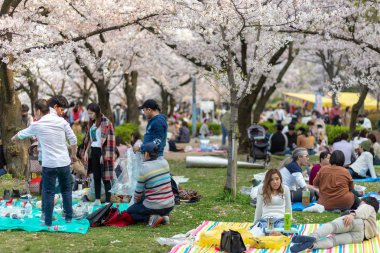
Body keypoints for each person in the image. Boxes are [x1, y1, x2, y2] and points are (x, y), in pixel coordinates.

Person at [11, 95, 77, 226]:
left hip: (49, 164)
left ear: (39, 111)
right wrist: (73, 155)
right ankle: (68, 217)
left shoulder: (37, 124)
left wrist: (13, 138)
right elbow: (73, 139)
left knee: (48, 192)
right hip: (64, 162)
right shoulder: (62, 121)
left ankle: (47, 221)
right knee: (66, 190)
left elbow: (21, 134)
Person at [290, 197, 379, 252]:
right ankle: (312, 245)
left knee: (333, 226)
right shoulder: (374, 226)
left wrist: (352, 215)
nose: (359, 205)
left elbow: (362, 209)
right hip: (359, 237)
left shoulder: (368, 207)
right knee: (334, 241)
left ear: (364, 202)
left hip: (357, 222)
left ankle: (314, 236)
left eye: (360, 203)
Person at [127, 142, 174, 227]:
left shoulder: (144, 169)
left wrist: (136, 203)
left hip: (155, 206)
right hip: (169, 205)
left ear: (146, 154)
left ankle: (151, 217)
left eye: (142, 153)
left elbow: (138, 194)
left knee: (130, 212)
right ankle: (164, 217)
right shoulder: (165, 163)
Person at [79, 103, 115, 204]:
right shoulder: (91, 123)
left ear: (97, 112)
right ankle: (98, 199)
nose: (90, 115)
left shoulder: (106, 123)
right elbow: (91, 139)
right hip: (93, 151)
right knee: (96, 176)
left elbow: (110, 140)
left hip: (102, 151)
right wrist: (86, 151)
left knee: (106, 177)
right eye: (88, 113)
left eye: (91, 113)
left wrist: (104, 155)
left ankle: (108, 200)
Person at [253, 169, 292, 234]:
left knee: (280, 229)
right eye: (271, 180)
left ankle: (276, 236)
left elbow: (288, 207)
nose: (275, 182)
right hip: (266, 219)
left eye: (277, 179)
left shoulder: (285, 189)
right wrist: (255, 223)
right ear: (268, 181)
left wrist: (289, 220)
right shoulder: (262, 189)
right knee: (264, 230)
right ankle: (271, 236)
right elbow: (259, 208)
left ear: (280, 179)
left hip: (281, 219)